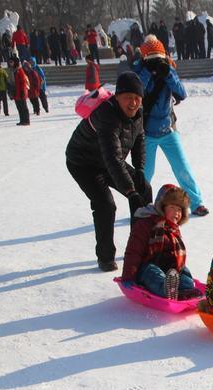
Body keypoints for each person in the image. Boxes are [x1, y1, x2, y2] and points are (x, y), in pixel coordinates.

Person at [66, 72, 152, 271]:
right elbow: (113, 158)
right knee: (105, 204)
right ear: (117, 97)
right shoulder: (106, 115)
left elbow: (139, 139)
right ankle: (105, 257)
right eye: (127, 98)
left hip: (109, 160)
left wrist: (139, 169)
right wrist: (130, 192)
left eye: (137, 98)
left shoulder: (139, 111)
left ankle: (138, 248)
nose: (133, 103)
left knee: (144, 190)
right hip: (83, 163)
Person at [134, 35, 209, 217]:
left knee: (182, 168)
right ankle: (141, 204)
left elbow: (181, 93)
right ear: (144, 58)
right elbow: (137, 92)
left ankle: (196, 202)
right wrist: (147, 71)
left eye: (158, 58)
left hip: (168, 130)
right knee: (145, 173)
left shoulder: (168, 69)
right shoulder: (138, 71)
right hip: (147, 132)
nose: (156, 62)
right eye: (151, 59)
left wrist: (167, 73)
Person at [121, 184, 201, 299]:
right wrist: (128, 277)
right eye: (172, 207)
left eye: (179, 209)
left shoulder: (173, 228)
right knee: (153, 273)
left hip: (168, 269)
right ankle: (167, 290)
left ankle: (185, 290)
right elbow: (133, 252)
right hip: (145, 268)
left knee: (184, 273)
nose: (176, 213)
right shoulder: (146, 224)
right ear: (162, 207)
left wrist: (178, 269)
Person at [9, 57, 29, 125]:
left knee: (23, 107)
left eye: (12, 62)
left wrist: (23, 91)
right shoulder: (12, 71)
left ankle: (26, 120)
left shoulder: (19, 70)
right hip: (15, 92)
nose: (10, 63)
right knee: (19, 107)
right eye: (10, 62)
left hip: (21, 92)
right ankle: (22, 120)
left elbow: (23, 82)